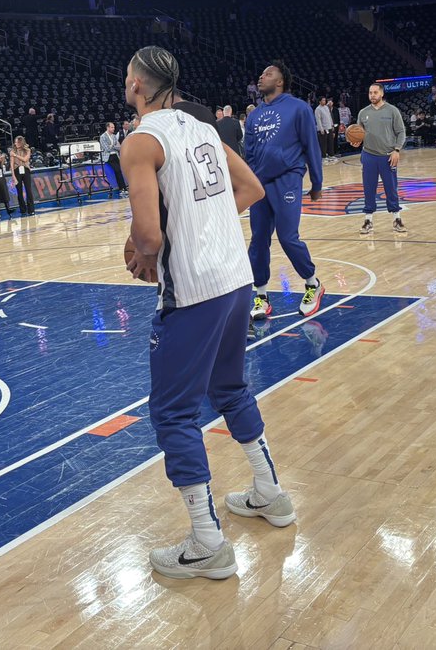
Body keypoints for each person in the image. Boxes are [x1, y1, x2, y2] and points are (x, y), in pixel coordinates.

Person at [119, 46, 293, 582]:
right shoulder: (205, 129)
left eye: (128, 79)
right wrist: (205, 219)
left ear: (139, 88)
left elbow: (149, 235)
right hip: (237, 280)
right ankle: (270, 494)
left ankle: (207, 541)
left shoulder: (140, 141)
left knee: (173, 414)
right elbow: (252, 189)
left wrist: (143, 250)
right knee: (230, 388)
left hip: (192, 290)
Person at [244, 61, 325, 323]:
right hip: (259, 184)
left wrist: (317, 183)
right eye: (261, 73)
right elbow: (249, 152)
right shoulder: (254, 115)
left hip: (288, 178)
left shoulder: (299, 108)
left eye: (267, 74)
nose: (261, 76)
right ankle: (262, 295)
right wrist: (249, 182)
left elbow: (311, 146)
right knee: (258, 240)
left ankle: (313, 284)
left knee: (288, 237)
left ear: (280, 81)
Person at [353, 82, 407, 235]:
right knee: (369, 189)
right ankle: (368, 220)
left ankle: (397, 219)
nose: (372, 95)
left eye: (375, 92)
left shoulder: (392, 111)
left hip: (388, 156)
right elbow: (359, 133)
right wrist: (356, 140)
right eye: (370, 93)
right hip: (368, 155)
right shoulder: (363, 113)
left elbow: (401, 132)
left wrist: (397, 150)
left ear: (382, 94)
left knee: (391, 189)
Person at [100, 122, 127, 195]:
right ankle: (121, 188)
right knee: (117, 170)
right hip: (108, 156)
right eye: (112, 127)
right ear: (108, 128)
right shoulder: (103, 137)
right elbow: (107, 149)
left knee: (120, 171)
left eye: (114, 127)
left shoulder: (114, 136)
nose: (113, 129)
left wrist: (113, 146)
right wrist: (114, 146)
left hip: (115, 155)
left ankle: (124, 188)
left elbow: (119, 147)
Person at [10, 136, 36, 215]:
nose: (16, 143)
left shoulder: (27, 150)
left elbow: (25, 159)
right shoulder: (12, 151)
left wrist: (15, 155)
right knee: (19, 191)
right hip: (17, 170)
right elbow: (11, 164)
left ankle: (31, 209)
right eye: (15, 142)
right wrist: (13, 176)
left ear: (21, 142)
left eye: (17, 142)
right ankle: (22, 209)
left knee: (28, 190)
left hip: (26, 169)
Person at [314, 97, 334, 163]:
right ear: (319, 101)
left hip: (329, 127)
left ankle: (331, 155)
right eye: (323, 100)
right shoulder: (318, 109)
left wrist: (332, 125)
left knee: (330, 142)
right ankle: (323, 157)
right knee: (323, 144)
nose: (324, 101)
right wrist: (321, 129)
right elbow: (318, 120)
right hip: (323, 129)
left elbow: (329, 116)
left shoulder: (326, 107)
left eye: (325, 100)